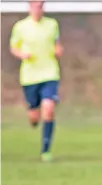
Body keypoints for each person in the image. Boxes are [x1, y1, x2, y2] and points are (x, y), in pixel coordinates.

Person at [9, 0, 63, 162]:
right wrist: (21, 55)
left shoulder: (52, 24)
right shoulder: (20, 27)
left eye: (41, 6)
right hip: (30, 76)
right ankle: (33, 115)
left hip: (50, 73)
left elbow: (57, 44)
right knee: (34, 116)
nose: (38, 9)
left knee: (49, 109)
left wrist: (58, 49)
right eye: (35, 6)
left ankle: (45, 150)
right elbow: (14, 47)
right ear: (30, 7)